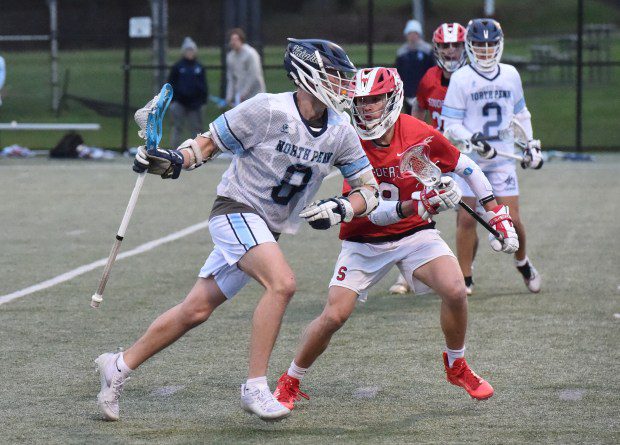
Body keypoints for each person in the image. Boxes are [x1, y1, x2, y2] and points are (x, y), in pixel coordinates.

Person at [94, 38, 380, 422]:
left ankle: (118, 365)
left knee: (194, 310)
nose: (343, 85)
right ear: (309, 75)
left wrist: (342, 206)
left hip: (267, 229)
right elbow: (208, 144)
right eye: (334, 76)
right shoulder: (267, 109)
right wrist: (174, 159)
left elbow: (368, 189)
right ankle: (256, 387)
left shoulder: (340, 130)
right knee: (283, 283)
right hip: (235, 210)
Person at [273, 67, 519, 412]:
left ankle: (457, 364)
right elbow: (368, 210)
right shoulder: (349, 139)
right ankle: (291, 378)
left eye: (375, 98)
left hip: (415, 234)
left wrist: (497, 215)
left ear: (393, 98)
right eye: (361, 101)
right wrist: (419, 203)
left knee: (454, 289)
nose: (368, 107)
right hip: (364, 239)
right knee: (334, 316)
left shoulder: (418, 132)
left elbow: (467, 168)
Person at [441, 19, 543, 295]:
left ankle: (522, 262)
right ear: (469, 46)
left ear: (499, 46)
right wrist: (472, 138)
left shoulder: (510, 74)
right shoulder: (462, 77)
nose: (485, 51)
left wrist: (530, 145)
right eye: (479, 45)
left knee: (512, 219)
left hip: (501, 160)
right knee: (465, 219)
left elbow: (521, 115)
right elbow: (450, 123)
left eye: (489, 45)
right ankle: (465, 277)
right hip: (470, 160)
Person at [389, 22, 468, 295]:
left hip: (463, 156)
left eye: (455, 44)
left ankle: (465, 273)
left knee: (466, 219)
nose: (449, 50)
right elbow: (419, 108)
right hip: (433, 158)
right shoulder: (429, 78)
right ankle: (408, 274)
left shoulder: (471, 79)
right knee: (415, 211)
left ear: (463, 46)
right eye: (444, 45)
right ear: (436, 47)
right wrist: (412, 143)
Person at [167, 37, 208, 147]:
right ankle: (174, 151)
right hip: (180, 103)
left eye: (191, 50)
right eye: (187, 50)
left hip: (195, 104)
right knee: (177, 128)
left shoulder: (199, 67)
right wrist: (172, 101)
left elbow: (204, 85)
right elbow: (170, 84)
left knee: (196, 129)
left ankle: (199, 152)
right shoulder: (177, 67)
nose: (190, 52)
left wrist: (203, 100)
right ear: (183, 52)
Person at [395, 19, 435, 115]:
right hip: (407, 90)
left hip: (422, 90)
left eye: (415, 33)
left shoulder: (427, 50)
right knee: (409, 115)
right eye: (410, 34)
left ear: (419, 34)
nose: (412, 37)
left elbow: (432, 70)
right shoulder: (401, 52)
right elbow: (398, 71)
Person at [225, 28, 266, 108]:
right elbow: (231, 78)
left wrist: (244, 93)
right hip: (240, 98)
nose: (233, 42)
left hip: (255, 95)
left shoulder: (250, 54)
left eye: (236, 39)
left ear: (241, 40)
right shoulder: (230, 56)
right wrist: (229, 96)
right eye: (232, 40)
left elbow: (253, 75)